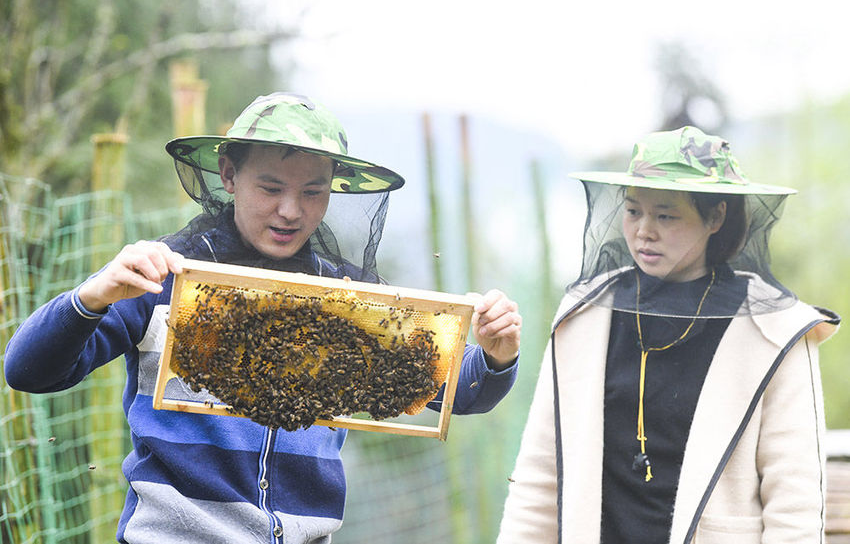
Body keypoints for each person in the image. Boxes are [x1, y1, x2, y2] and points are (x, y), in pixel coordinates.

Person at [4, 92, 522, 544]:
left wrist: (498, 351)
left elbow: (464, 390)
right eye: (271, 188)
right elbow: (27, 371)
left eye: (312, 192)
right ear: (229, 175)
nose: (291, 211)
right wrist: (92, 297)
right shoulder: (163, 274)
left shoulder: (348, 298)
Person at [497, 126, 839, 543]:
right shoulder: (585, 316)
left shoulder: (776, 333)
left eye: (666, 215)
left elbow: (795, 502)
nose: (644, 231)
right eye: (633, 210)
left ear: (715, 217)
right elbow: (540, 476)